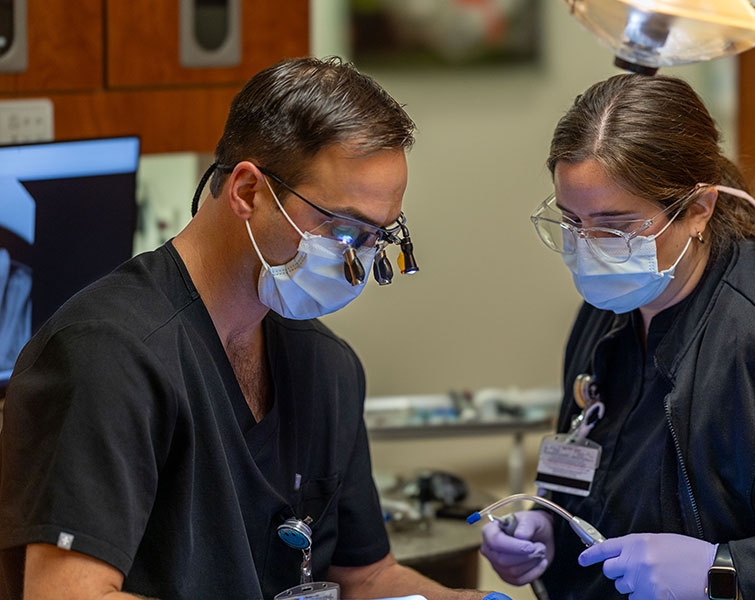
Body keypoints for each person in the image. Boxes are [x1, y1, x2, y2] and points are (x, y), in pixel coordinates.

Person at [0, 56, 506, 600]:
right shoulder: (108, 354)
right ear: (247, 192)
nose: (355, 259)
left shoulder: (325, 368)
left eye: (377, 236)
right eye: (342, 230)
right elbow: (67, 595)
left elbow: (368, 578)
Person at [480, 73, 755, 599]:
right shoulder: (610, 309)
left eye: (615, 226)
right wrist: (552, 525)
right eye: (572, 222)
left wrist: (724, 570)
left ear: (698, 208)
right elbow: (591, 456)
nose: (588, 250)